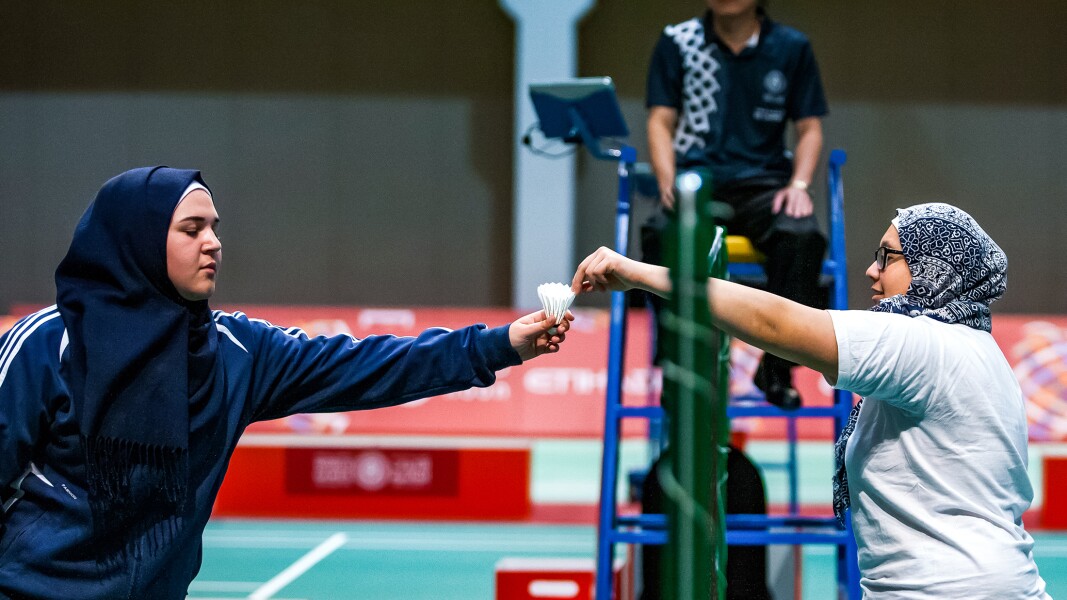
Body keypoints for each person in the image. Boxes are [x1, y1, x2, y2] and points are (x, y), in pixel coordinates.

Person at [0, 166, 572, 599]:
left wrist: (500, 345)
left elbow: (371, 365)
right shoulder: (46, 348)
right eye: (191, 229)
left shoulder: (237, 353)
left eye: (214, 228)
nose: (213, 243)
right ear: (139, 241)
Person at [573, 203, 1050, 598]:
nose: (871, 270)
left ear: (934, 267)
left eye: (889, 256)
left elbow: (777, 325)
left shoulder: (923, 343)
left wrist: (637, 273)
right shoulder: (978, 351)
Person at [643, 0, 828, 408]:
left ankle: (777, 367)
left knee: (802, 235)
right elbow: (660, 120)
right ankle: (681, 364)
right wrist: (668, 179)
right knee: (659, 234)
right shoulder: (679, 40)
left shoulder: (791, 47)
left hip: (764, 185)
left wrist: (799, 183)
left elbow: (810, 128)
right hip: (699, 182)